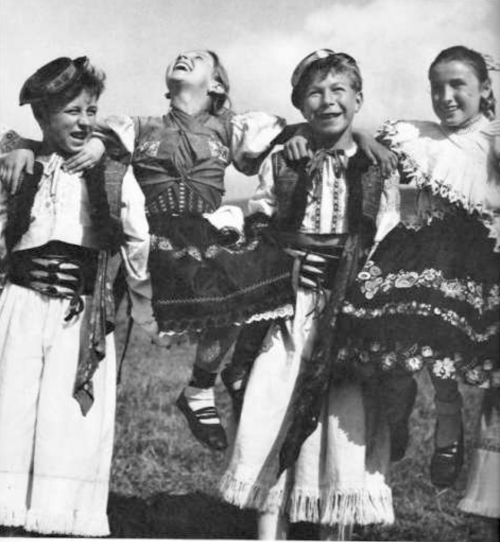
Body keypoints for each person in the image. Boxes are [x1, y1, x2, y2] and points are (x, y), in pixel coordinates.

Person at [0, 49, 395, 454]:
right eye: (179, 55)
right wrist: (23, 145)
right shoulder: (139, 127)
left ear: (218, 84)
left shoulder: (232, 129)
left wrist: (362, 136)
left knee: (243, 277)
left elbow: (321, 125)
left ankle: (204, 385)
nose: (184, 56)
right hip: (156, 234)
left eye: (197, 57)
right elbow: (65, 128)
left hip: (203, 231)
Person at [219, 49, 395, 541]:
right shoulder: (284, 162)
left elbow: (387, 238)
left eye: (339, 89)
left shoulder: (377, 167)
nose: (328, 100)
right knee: (272, 405)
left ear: (358, 99)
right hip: (290, 308)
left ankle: (332, 530)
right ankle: (268, 529)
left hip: (347, 314)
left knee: (343, 419)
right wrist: (291, 260)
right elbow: (259, 225)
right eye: (315, 92)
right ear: (300, 105)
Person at [334, 45, 500, 488]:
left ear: (484, 89)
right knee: (390, 341)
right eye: (436, 87)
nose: (445, 96)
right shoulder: (415, 135)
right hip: (415, 250)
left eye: (457, 85)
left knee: (443, 353)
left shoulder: (494, 142)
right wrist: (367, 138)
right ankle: (396, 418)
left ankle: (450, 427)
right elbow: (355, 140)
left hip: (472, 259)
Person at [0, 56, 150, 536]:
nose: (85, 121)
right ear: (43, 116)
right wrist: (15, 148)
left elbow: (137, 237)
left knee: (68, 422)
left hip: (78, 314)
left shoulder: (111, 172)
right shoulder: (20, 165)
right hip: (20, 305)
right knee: (11, 409)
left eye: (92, 110)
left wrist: (141, 300)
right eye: (72, 111)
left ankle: (59, 518)